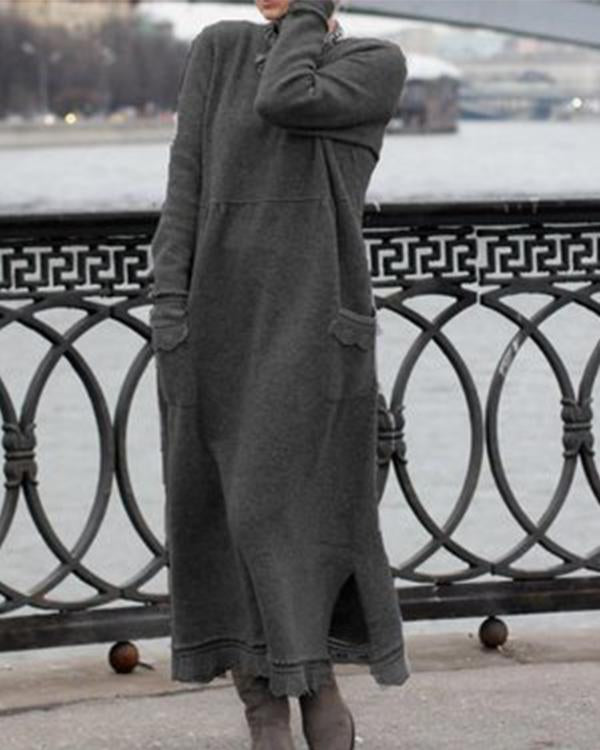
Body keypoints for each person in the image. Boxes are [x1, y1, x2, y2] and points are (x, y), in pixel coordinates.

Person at [148, 0, 410, 747]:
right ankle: (265, 711)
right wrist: (168, 311)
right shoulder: (218, 50)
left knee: (284, 523)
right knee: (221, 522)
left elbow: (285, 96)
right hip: (211, 328)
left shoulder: (373, 64)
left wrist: (306, 16)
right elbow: (185, 188)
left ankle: (316, 689)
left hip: (314, 332)